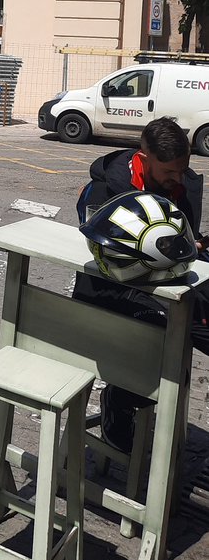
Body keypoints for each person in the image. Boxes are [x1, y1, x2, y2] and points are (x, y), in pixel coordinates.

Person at [73, 116, 208, 452]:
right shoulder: (106, 189)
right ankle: (120, 400)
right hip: (115, 290)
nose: (178, 178)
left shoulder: (183, 184)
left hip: (170, 287)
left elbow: (183, 241)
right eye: (170, 173)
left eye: (183, 168)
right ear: (145, 159)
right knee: (167, 343)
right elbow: (104, 256)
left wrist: (194, 243)